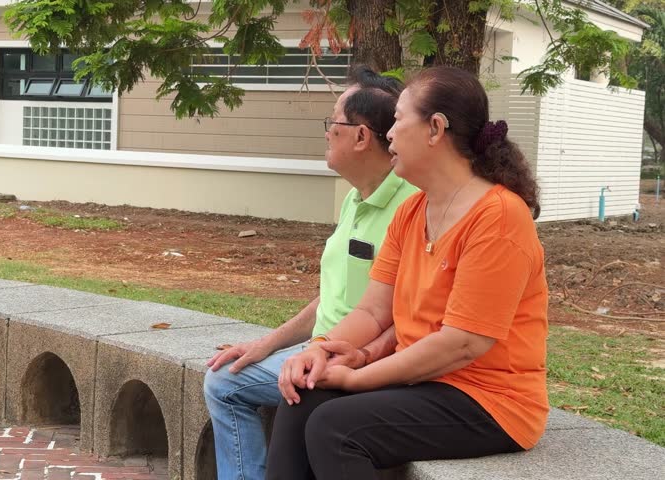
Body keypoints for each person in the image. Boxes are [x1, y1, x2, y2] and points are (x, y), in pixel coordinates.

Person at [265, 66, 549, 480]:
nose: (390, 133)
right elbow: (373, 311)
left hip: (490, 400)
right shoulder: (412, 212)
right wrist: (320, 349)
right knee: (304, 394)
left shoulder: (499, 216)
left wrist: (356, 378)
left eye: (398, 119)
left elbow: (462, 344)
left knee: (336, 429)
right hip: (426, 384)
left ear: (435, 128)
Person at [203, 65, 419, 480]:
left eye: (333, 121)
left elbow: (402, 312)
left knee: (232, 388)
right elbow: (333, 296)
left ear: (361, 136)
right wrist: (265, 344)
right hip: (325, 349)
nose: (325, 131)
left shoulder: (409, 207)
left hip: (358, 360)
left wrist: (337, 356)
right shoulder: (356, 199)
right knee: (225, 374)